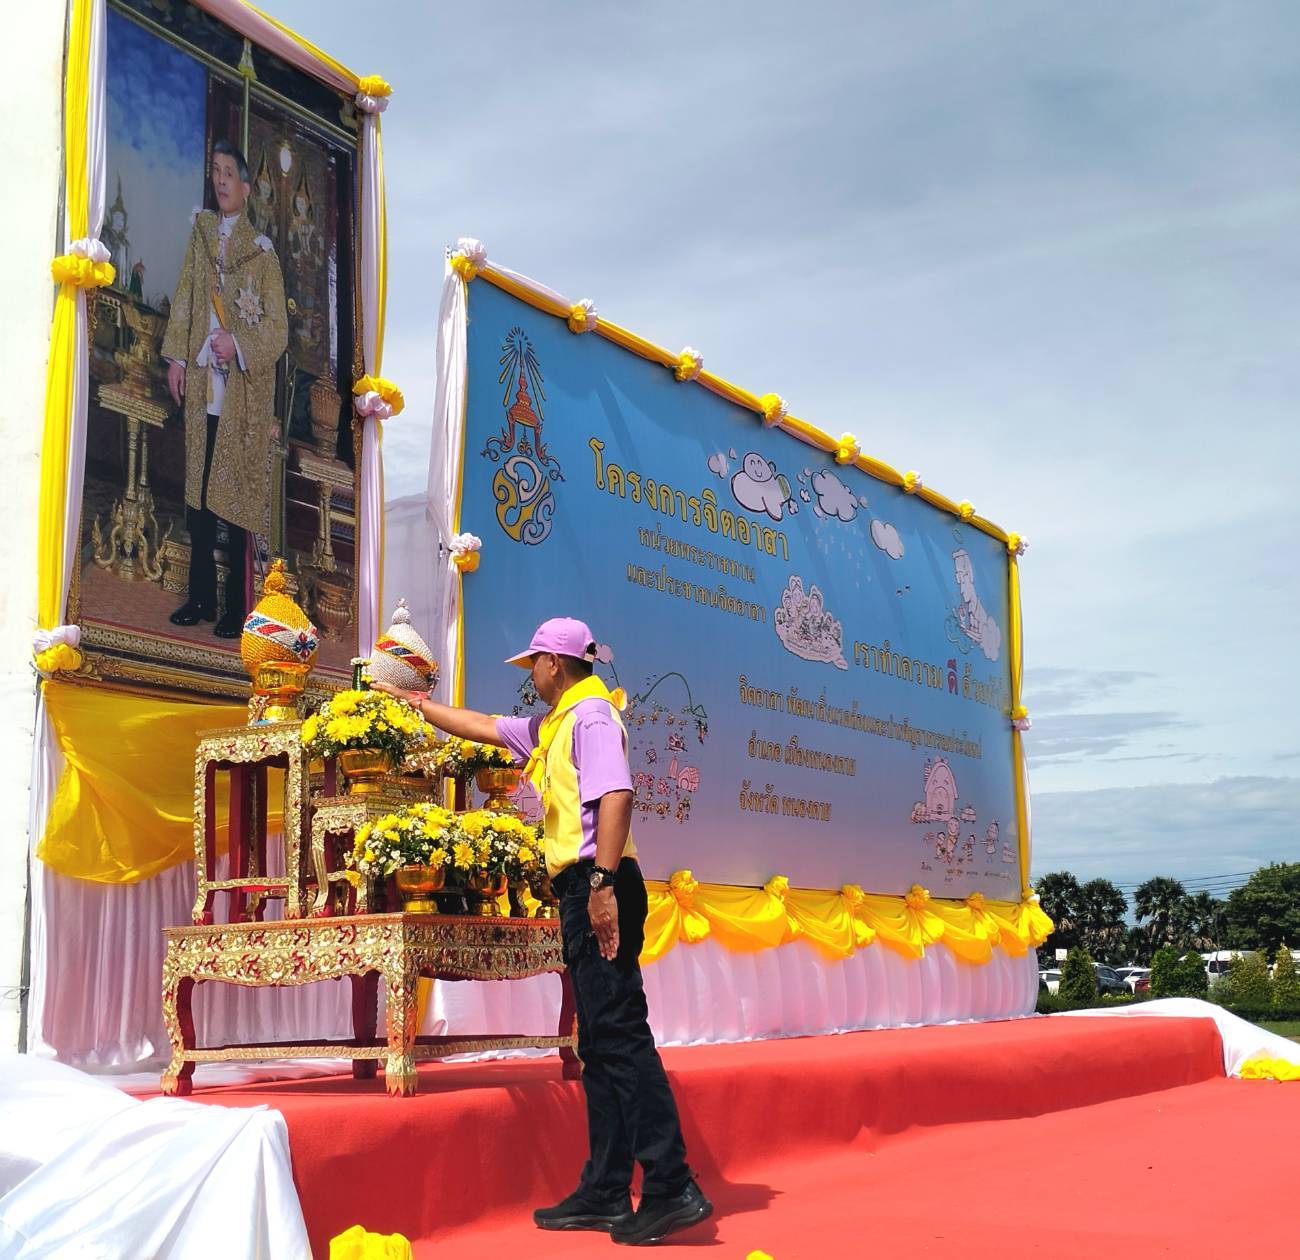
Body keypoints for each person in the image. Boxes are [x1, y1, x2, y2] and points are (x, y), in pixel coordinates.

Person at [373, 616, 712, 1246]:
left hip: (598, 883)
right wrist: (417, 706)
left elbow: (617, 797)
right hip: (584, 886)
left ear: (555, 663)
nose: (530, 674)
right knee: (601, 1043)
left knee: (620, 1035)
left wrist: (604, 886)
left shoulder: (590, 717)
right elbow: (485, 727)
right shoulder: (556, 725)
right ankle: (608, 1188)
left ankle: (671, 1183)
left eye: (533, 663)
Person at [161, 139, 288, 637]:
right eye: (215, 171)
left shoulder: (262, 253)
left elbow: (276, 329)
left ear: (246, 187)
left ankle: (237, 608)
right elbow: (186, 297)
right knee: (197, 497)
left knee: (234, 504)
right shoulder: (201, 233)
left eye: (228, 172)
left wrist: (237, 343)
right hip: (200, 384)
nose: (220, 180)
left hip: (240, 396)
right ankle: (200, 599)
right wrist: (175, 358)